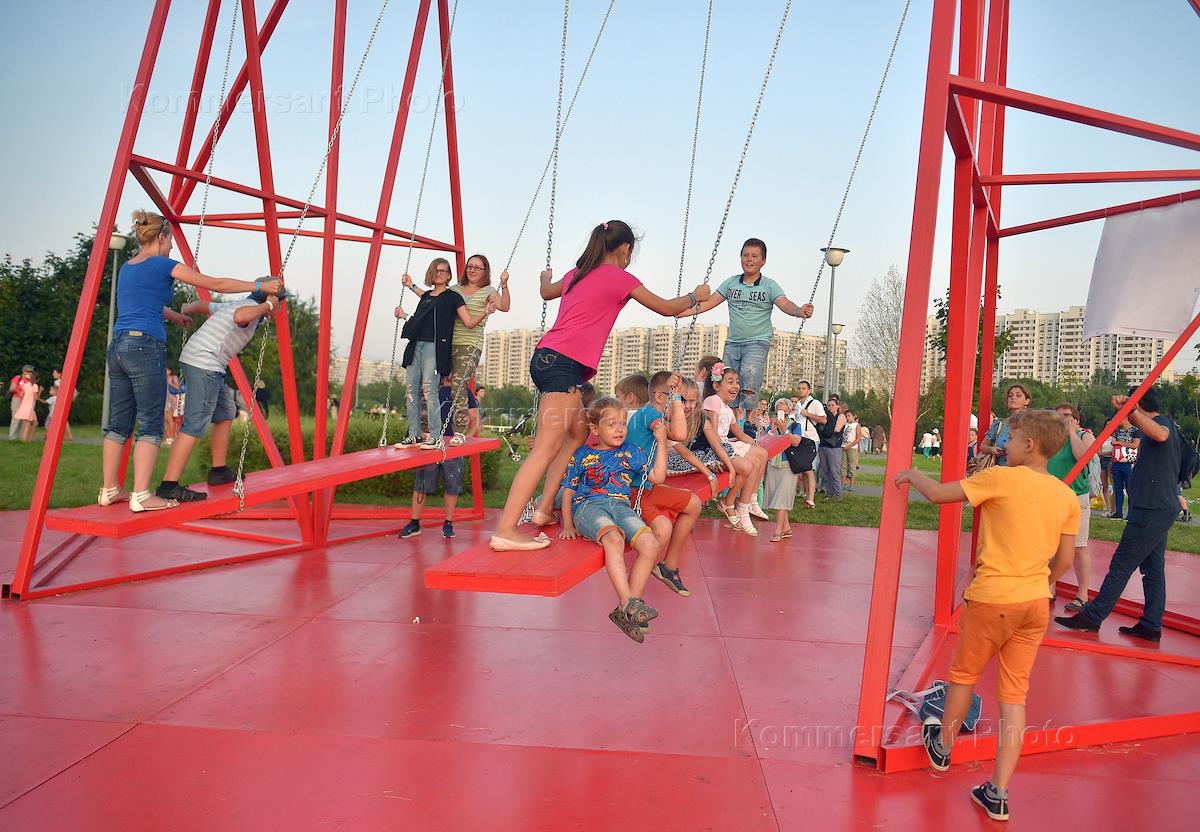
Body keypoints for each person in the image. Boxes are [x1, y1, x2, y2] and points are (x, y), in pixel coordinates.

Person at [897, 409, 1080, 822]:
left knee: (964, 675)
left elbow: (939, 494)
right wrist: (1042, 581)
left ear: (1029, 445)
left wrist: (912, 474)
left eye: (1010, 440)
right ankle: (997, 792)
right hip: (1034, 603)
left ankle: (942, 747)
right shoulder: (1065, 496)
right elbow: (1065, 559)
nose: (1004, 446)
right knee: (1014, 697)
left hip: (992, 598)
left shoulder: (1000, 478)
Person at [489, 220, 711, 551]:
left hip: (548, 359)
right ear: (625, 249)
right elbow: (667, 308)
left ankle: (544, 508)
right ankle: (506, 528)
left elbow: (546, 292)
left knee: (578, 432)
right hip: (563, 364)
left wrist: (545, 278)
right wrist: (696, 295)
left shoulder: (578, 273)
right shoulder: (618, 277)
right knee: (545, 448)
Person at [99, 209, 281, 512]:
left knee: (119, 423)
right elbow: (216, 284)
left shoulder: (128, 267)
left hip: (118, 345)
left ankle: (109, 489)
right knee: (151, 423)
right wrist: (259, 287)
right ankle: (142, 495)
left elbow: (143, 306)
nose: (171, 247)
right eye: (170, 241)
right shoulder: (163, 264)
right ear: (161, 237)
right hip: (144, 347)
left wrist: (175, 315)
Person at [1056, 389, 1183, 642]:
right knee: (1152, 569)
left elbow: (1160, 434)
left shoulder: (1162, 424)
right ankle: (1151, 624)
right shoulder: (1160, 427)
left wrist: (1130, 409)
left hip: (1151, 508)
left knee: (1121, 564)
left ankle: (1093, 616)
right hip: (1155, 506)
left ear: (1139, 405)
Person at [153, 290, 282, 502]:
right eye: (279, 304)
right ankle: (168, 486)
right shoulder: (250, 309)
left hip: (206, 363)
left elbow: (203, 306)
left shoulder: (237, 305)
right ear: (270, 300)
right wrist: (268, 306)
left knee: (226, 412)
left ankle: (218, 471)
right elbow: (240, 317)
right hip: (205, 363)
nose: (279, 310)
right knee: (195, 423)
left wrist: (188, 308)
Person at [560, 397, 668, 643]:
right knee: (614, 539)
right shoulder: (582, 454)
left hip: (620, 506)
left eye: (622, 423)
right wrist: (568, 524)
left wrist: (661, 441)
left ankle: (627, 610)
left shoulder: (632, 452)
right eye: (611, 424)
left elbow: (658, 476)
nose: (619, 429)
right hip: (588, 506)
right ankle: (628, 603)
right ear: (595, 429)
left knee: (650, 544)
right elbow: (568, 492)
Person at [680, 238, 814, 410]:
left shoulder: (769, 286)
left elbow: (784, 303)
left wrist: (799, 311)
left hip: (757, 342)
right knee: (726, 381)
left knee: (749, 374)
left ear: (763, 261)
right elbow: (709, 302)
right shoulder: (731, 283)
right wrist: (682, 311)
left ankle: (748, 417)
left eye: (754, 256)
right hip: (733, 342)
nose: (749, 259)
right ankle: (730, 417)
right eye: (745, 255)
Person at [394, 258, 492, 450]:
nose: (440, 274)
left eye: (444, 271)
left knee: (429, 389)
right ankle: (414, 434)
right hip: (416, 346)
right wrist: (410, 289)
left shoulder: (453, 297)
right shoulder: (426, 297)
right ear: (431, 273)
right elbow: (422, 313)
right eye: (437, 271)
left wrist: (485, 312)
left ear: (449, 275)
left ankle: (434, 435)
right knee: (411, 391)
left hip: (434, 347)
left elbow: (469, 322)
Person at [624, 371, 702, 597]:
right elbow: (680, 433)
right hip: (631, 490)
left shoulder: (656, 419)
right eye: (679, 399)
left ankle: (668, 566)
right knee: (663, 528)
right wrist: (675, 397)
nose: (684, 406)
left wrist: (675, 397)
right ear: (660, 397)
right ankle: (632, 597)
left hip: (647, 487)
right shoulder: (648, 414)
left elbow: (679, 434)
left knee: (694, 503)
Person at [397, 377, 480, 540]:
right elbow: (417, 416)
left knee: (452, 485)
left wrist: (465, 438)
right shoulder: (430, 389)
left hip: (453, 447)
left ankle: (448, 523)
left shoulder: (463, 391)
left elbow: (475, 419)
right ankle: (414, 522)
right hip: (430, 444)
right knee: (421, 484)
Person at [446, 254, 509, 441]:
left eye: (477, 267)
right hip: (448, 343)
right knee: (435, 385)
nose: (472, 270)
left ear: (484, 271)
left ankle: (459, 431)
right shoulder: (455, 289)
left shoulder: (488, 291)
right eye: (470, 266)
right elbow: (435, 300)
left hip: (470, 344)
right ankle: (428, 431)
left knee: (458, 385)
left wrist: (504, 284)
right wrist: (412, 287)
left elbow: (505, 306)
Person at [705, 364, 770, 535]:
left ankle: (751, 500)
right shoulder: (713, 401)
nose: (736, 386)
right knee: (748, 466)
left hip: (725, 445)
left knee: (762, 454)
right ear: (716, 385)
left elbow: (739, 434)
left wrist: (754, 445)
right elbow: (713, 434)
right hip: (715, 449)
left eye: (737, 382)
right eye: (730, 382)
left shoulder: (727, 408)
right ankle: (735, 504)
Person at [1047, 405, 1097, 614]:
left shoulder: (1084, 436)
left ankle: (1082, 594)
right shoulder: (1051, 438)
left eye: (1067, 415)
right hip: (1051, 496)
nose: (1062, 418)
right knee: (1048, 545)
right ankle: (1049, 588)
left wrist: (1071, 432)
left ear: (1077, 419)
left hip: (1076, 497)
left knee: (1078, 546)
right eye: (1058, 415)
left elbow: (1083, 457)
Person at [764, 401, 803, 542]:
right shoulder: (772, 425)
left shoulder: (795, 426)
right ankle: (786, 528)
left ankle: (778, 531)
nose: (782, 414)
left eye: (784, 412)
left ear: (789, 412)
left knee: (782, 498)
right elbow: (764, 443)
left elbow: (796, 442)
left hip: (789, 465)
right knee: (776, 497)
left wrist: (785, 430)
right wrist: (772, 430)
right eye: (779, 411)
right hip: (773, 464)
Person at [978, 384, 1032, 465]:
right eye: (1010, 396)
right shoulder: (999, 424)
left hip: (1024, 469)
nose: (1013, 398)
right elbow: (983, 446)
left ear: (1027, 401)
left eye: (1018, 395)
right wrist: (992, 449)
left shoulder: (1032, 424)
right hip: (1000, 469)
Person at [792, 381, 825, 508]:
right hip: (799, 438)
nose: (801, 390)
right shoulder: (798, 404)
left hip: (811, 439)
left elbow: (823, 419)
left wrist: (808, 414)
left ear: (809, 390)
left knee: (809, 469)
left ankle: (811, 499)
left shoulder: (815, 403)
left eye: (804, 388)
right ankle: (806, 494)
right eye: (799, 388)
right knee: (803, 469)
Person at [1108, 417, 1139, 520]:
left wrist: (1120, 443)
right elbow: (1113, 444)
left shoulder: (1135, 431)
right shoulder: (1117, 431)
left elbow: (1135, 444)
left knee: (1130, 488)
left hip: (1129, 462)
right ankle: (1118, 512)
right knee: (1118, 488)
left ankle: (1131, 513)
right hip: (1117, 461)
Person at [816, 396, 847, 500]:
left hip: (834, 446)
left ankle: (838, 493)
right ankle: (829, 493)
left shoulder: (840, 416)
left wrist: (825, 429)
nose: (830, 407)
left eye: (833, 405)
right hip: (823, 445)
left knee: (834, 471)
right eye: (829, 405)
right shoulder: (825, 417)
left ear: (837, 406)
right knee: (825, 471)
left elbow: (836, 429)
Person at [8, 365, 34, 440]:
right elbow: (12, 388)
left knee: (24, 419)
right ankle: (12, 437)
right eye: (28, 371)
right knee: (16, 418)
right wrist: (19, 391)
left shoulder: (30, 381)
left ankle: (21, 437)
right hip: (17, 399)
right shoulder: (18, 378)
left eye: (31, 372)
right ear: (23, 371)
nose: (30, 373)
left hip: (26, 401)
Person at [13, 370, 40, 441]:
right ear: (37, 379)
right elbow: (35, 397)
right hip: (30, 407)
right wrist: (40, 391)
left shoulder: (26, 385)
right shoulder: (35, 386)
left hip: (25, 406)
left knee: (35, 423)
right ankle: (25, 439)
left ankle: (30, 439)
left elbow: (21, 395)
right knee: (27, 424)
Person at [842, 408, 861, 491]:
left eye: (849, 416)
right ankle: (843, 484)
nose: (848, 418)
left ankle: (852, 485)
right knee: (843, 466)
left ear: (854, 416)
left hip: (852, 447)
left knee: (852, 466)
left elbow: (858, 438)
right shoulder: (845, 424)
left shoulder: (857, 425)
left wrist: (849, 446)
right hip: (843, 446)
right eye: (846, 416)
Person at [164, 370, 181, 445]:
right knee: (166, 419)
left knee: (170, 419)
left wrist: (170, 383)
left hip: (171, 399)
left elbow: (178, 388)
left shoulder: (174, 378)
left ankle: (172, 437)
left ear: (170, 370)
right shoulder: (163, 378)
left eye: (167, 369)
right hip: (165, 399)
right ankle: (167, 437)